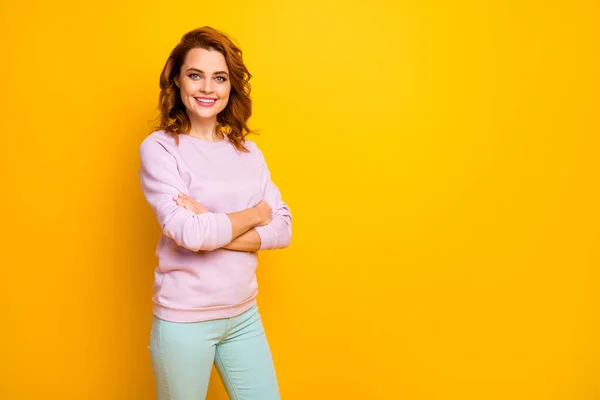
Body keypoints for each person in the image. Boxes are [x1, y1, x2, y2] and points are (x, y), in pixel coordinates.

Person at [138, 26, 292, 400]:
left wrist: (211, 226)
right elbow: (190, 234)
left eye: (219, 78)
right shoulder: (160, 149)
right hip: (185, 321)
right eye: (196, 75)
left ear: (230, 86)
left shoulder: (248, 153)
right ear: (177, 81)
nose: (207, 88)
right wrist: (256, 213)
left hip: (243, 316)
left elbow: (283, 228)